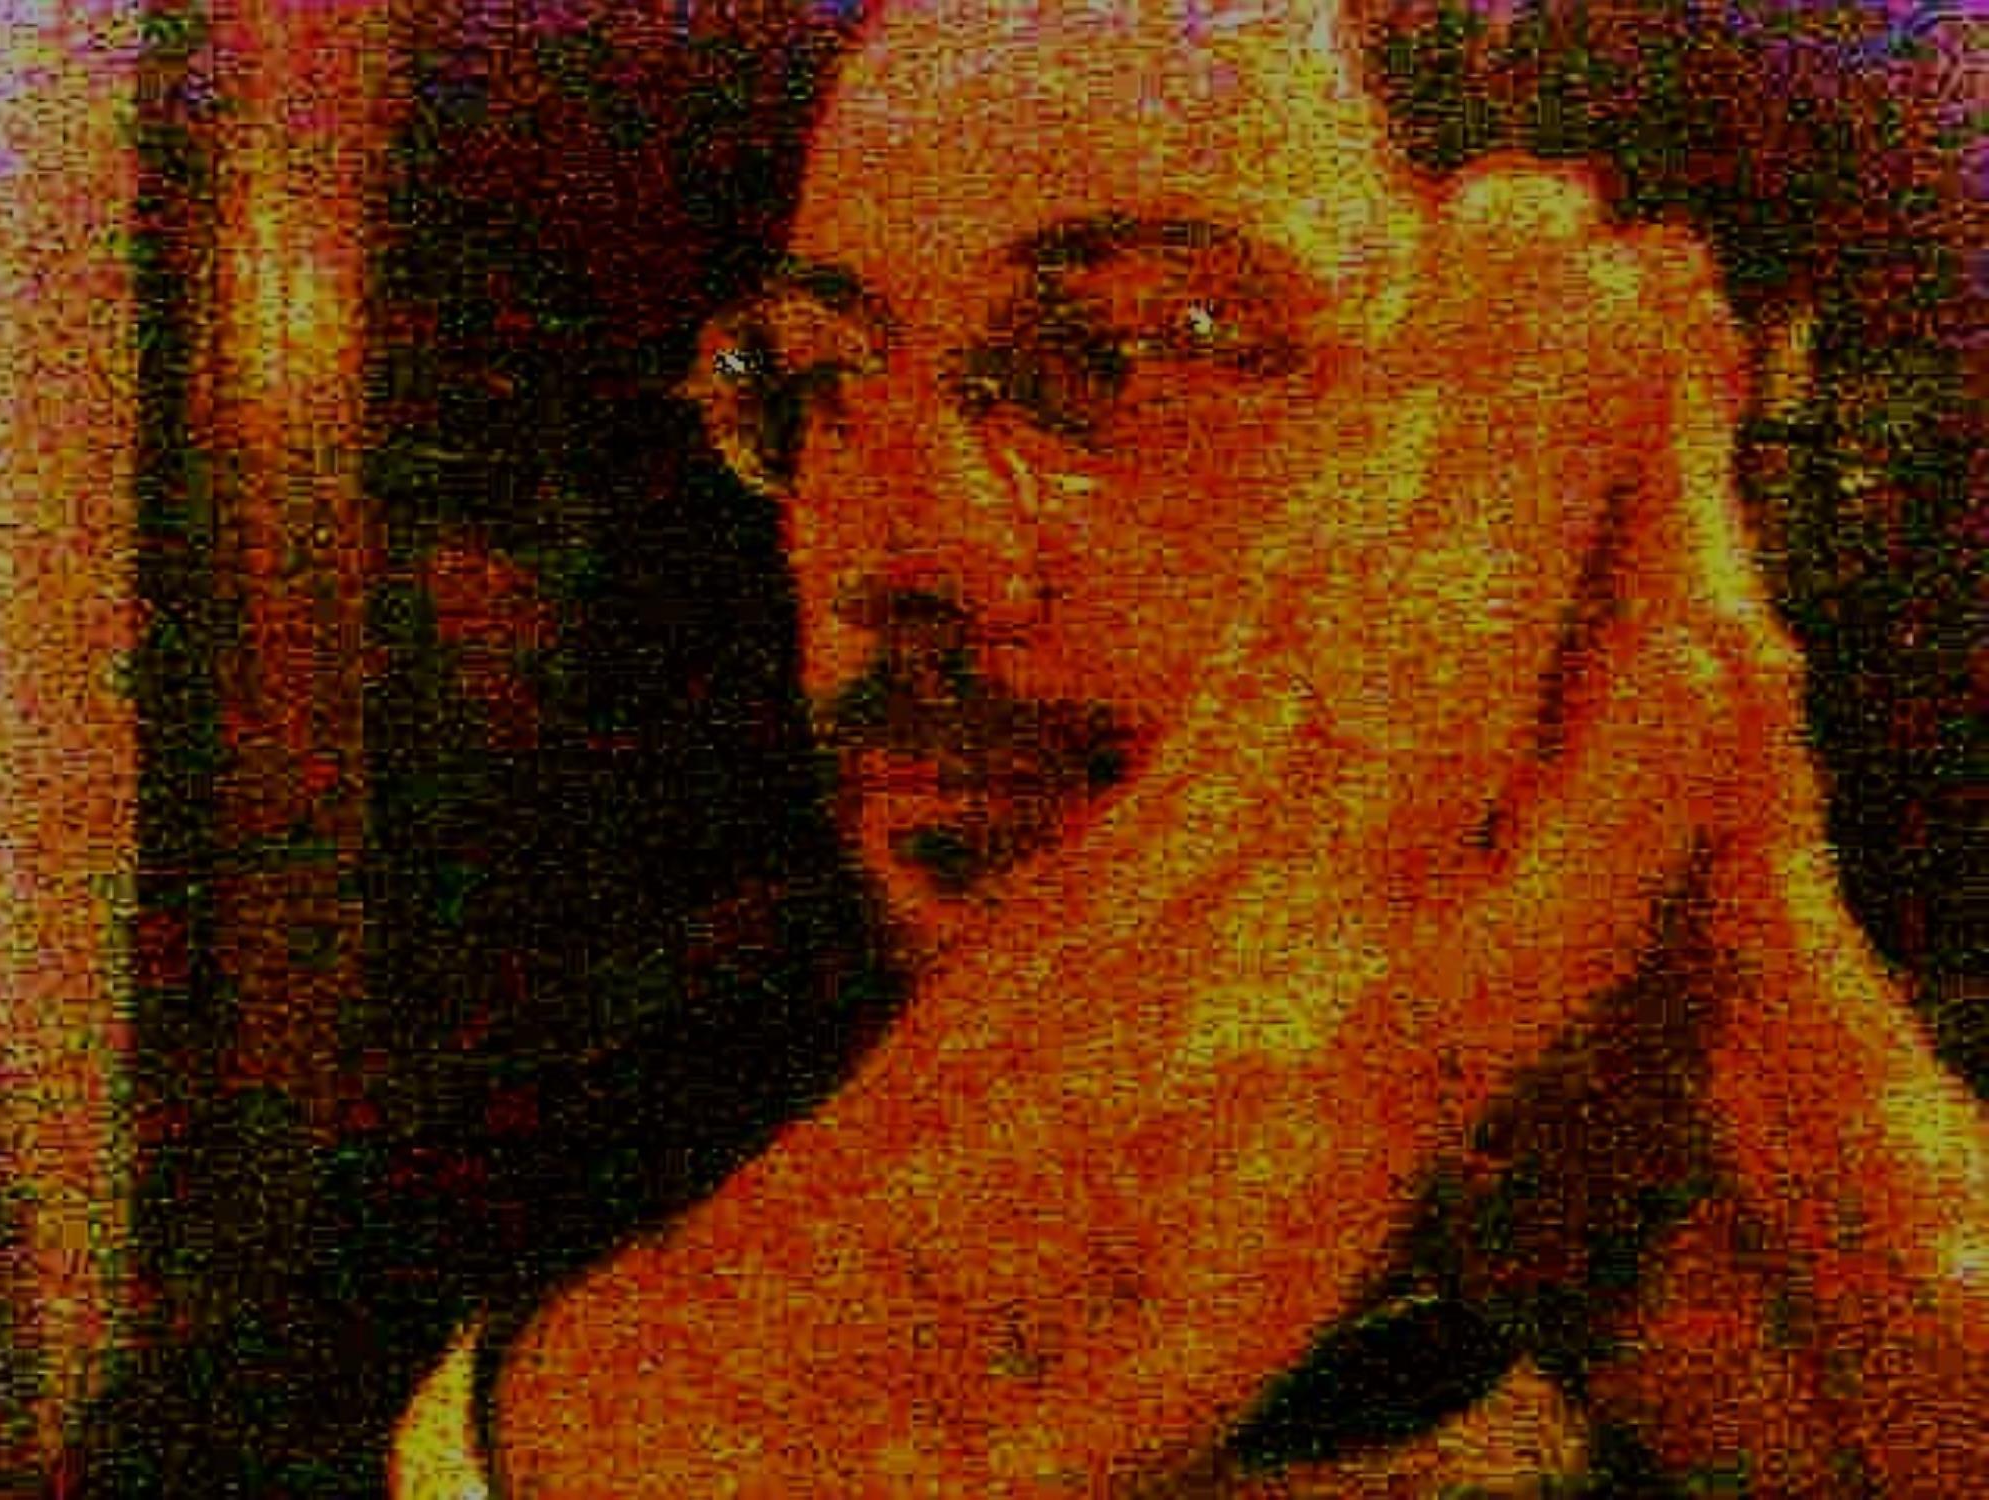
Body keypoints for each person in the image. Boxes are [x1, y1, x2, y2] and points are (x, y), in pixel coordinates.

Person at [394, 0, 1989, 1493]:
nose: (894, 551)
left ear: (1594, 433)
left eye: (1139, 346)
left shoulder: (1882, 1157)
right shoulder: (534, 1156)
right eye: (818, 373)